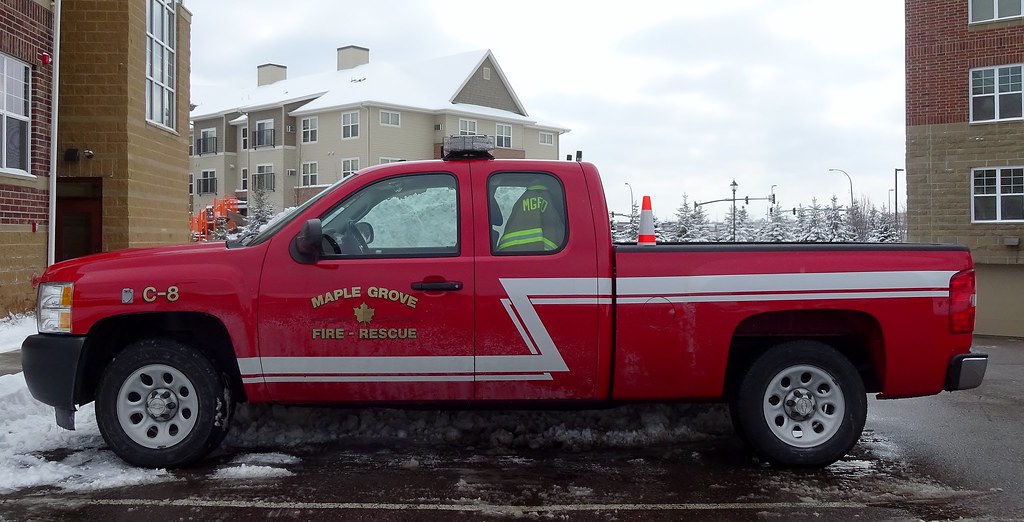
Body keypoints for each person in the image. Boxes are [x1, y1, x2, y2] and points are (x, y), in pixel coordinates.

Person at [495, 179, 565, 252]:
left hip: (510, 255)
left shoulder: (519, 204)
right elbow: (559, 236)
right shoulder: (550, 203)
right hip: (545, 256)